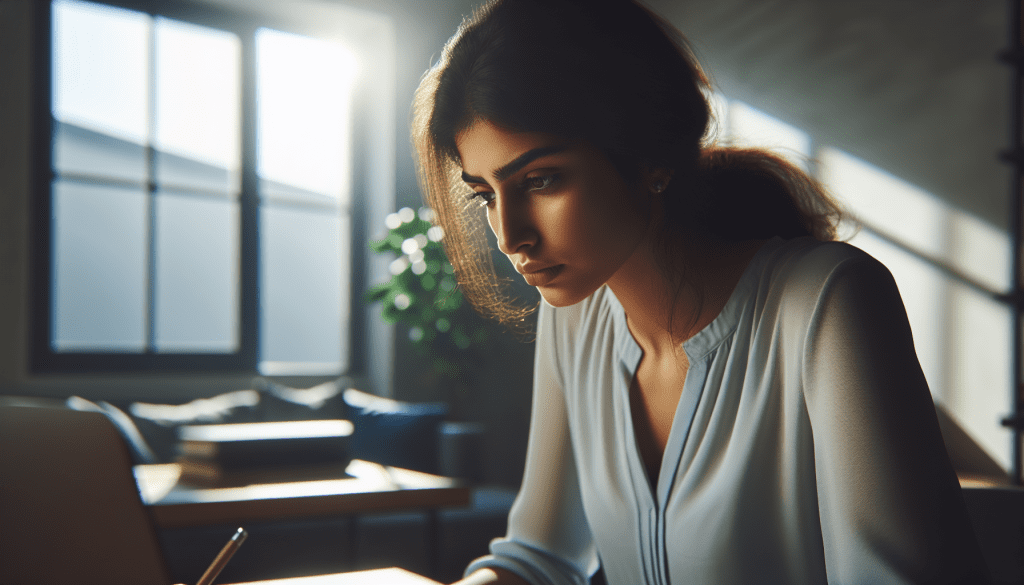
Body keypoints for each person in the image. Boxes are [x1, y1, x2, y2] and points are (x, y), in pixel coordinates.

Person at [411, 0, 990, 583]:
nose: (511, 235)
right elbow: (538, 559)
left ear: (650, 154)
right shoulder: (574, 320)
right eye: (485, 194)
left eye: (542, 180)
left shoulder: (825, 303)